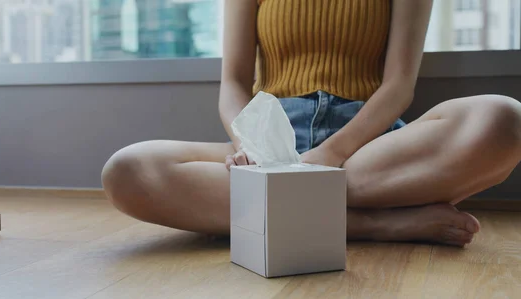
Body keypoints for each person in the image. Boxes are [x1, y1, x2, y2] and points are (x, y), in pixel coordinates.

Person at [101, 0, 521, 247]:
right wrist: (253, 148)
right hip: (270, 143)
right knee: (127, 170)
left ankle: (294, 210)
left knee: (504, 120)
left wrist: (329, 156)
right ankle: (372, 224)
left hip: (366, 150)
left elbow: (398, 86)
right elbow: (232, 83)